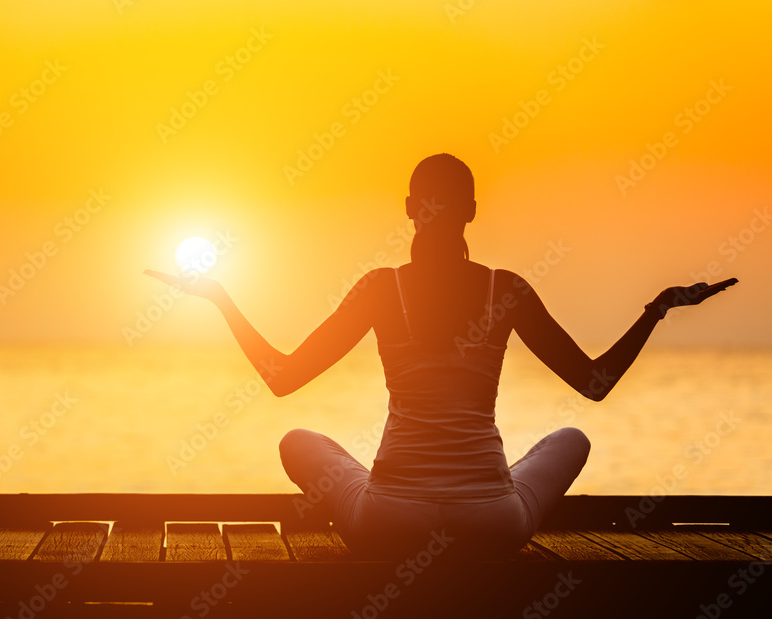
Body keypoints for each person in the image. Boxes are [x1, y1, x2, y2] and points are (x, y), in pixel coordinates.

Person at [145, 153, 737, 562]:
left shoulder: (380, 288)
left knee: (296, 440)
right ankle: (489, 483)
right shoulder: (505, 289)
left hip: (388, 522)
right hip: (492, 524)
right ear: (472, 211)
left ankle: (460, 487)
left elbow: (281, 378)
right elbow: (596, 382)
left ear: (408, 207)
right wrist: (654, 311)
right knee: (571, 439)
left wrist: (220, 298)